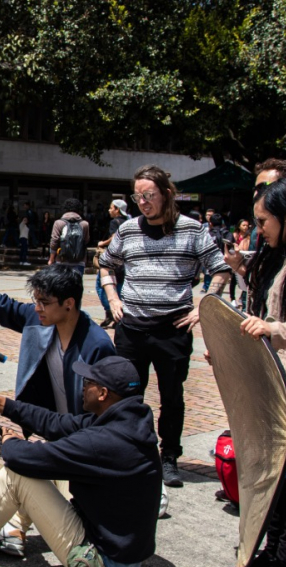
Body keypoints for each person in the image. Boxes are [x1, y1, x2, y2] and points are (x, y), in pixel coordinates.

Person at [0, 245, 115, 554]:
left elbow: (105, 419)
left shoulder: (97, 346)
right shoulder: (40, 320)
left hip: (82, 440)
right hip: (47, 426)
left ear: (69, 304)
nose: (37, 308)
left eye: (44, 302)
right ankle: (7, 529)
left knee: (28, 469)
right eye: (36, 301)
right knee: (28, 465)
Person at [0, 355, 162, 567]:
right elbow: (56, 424)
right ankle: (13, 528)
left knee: (16, 474)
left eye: (88, 383)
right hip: (126, 553)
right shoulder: (128, 421)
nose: (83, 387)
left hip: (103, 562)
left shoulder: (103, 441)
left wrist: (9, 441)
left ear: (102, 393)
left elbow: (20, 457)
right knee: (51, 464)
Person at [99, 165, 231, 487]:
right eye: (137, 196)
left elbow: (221, 270)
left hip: (172, 329)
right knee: (129, 395)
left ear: (167, 194)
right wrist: (113, 299)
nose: (143, 202)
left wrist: (204, 307)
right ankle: (131, 451)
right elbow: (106, 264)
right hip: (131, 328)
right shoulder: (128, 229)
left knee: (172, 396)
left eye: (149, 195)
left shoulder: (192, 230)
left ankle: (169, 455)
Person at [221, 179, 286, 567]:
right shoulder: (271, 258)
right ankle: (270, 555)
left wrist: (274, 328)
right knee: (273, 477)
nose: (257, 229)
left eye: (263, 221)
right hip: (271, 380)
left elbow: (273, 321)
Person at [95, 200, 130, 328]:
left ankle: (110, 313)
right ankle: (118, 315)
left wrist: (103, 243)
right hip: (125, 261)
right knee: (119, 286)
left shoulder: (115, 222)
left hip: (113, 260)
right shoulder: (129, 222)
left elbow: (115, 237)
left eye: (111, 208)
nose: (109, 210)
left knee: (100, 285)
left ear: (117, 209)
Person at [48, 198, 90, 274]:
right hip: (79, 261)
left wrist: (51, 259)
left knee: (62, 284)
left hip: (62, 260)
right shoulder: (85, 224)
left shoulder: (58, 223)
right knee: (76, 284)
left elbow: (54, 241)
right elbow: (86, 241)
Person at [229, 219, 251, 309]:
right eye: (243, 225)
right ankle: (232, 298)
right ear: (239, 226)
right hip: (236, 259)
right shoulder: (235, 235)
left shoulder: (248, 236)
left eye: (247, 225)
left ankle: (242, 298)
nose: (245, 227)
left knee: (244, 281)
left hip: (245, 260)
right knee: (234, 280)